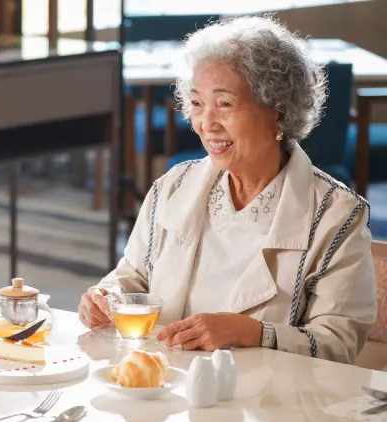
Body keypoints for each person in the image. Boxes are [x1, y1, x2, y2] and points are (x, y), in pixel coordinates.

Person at [79, 15, 377, 364]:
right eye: (196, 104)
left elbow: (338, 344)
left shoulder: (336, 215)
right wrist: (107, 296)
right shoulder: (172, 187)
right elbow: (133, 276)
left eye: (225, 104)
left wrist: (252, 333)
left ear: (278, 112)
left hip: (268, 406)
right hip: (167, 391)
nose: (207, 124)